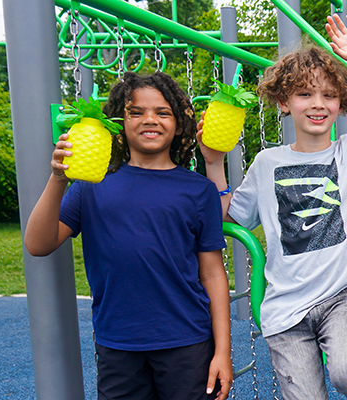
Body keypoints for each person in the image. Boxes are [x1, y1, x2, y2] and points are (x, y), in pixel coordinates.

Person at [199, 15, 347, 400]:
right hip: (285, 310)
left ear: (341, 102)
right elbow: (223, 218)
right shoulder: (266, 164)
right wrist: (212, 163)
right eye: (305, 95)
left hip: (342, 296)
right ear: (284, 101)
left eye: (328, 95)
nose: (317, 104)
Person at [25, 72, 232, 400]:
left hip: (188, 341)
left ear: (179, 125)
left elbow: (212, 273)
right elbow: (38, 244)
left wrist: (223, 351)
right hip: (117, 342)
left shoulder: (199, 190)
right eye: (136, 112)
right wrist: (58, 179)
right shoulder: (90, 186)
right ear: (119, 123)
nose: (150, 119)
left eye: (162, 112)